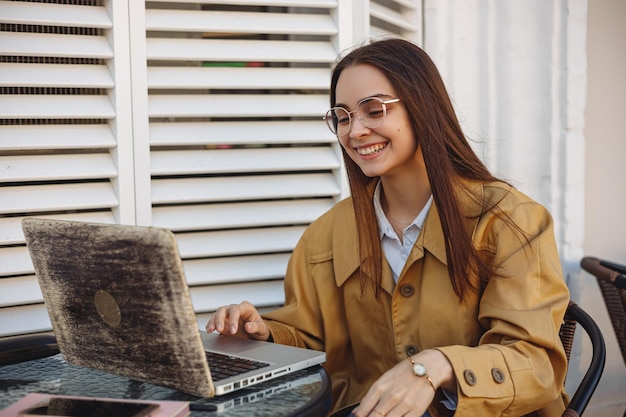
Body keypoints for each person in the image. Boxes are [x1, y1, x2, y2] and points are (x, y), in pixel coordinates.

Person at [206, 38, 570, 417]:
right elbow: (310, 341)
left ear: (422, 108)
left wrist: (436, 367)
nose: (355, 131)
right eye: (343, 116)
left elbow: (536, 363)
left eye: (374, 110)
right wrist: (262, 334)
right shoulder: (322, 239)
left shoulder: (511, 221)